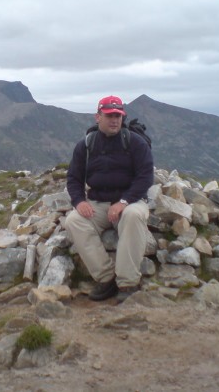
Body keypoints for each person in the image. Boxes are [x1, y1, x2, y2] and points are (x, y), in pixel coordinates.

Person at [65, 95, 154, 302]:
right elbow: (74, 178)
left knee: (133, 216)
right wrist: (79, 201)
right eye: (109, 115)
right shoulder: (86, 145)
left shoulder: (135, 142)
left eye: (118, 116)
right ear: (98, 117)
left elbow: (145, 177)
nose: (114, 120)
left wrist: (124, 202)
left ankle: (127, 283)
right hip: (98, 202)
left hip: (130, 201)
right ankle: (106, 279)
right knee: (74, 221)